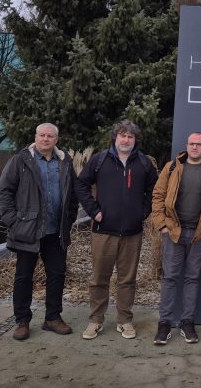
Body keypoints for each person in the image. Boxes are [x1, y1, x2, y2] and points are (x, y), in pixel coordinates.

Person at [0, 123, 79, 341]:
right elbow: (3, 191)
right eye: (42, 135)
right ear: (36, 137)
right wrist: (13, 222)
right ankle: (22, 321)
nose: (45, 139)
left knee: (57, 275)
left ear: (56, 140)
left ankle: (53, 318)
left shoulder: (64, 162)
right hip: (27, 230)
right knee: (23, 276)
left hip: (55, 231)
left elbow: (73, 194)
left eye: (50, 136)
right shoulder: (21, 160)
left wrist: (69, 218)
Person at [76, 120, 158, 341]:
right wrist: (94, 211)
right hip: (103, 231)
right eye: (123, 135)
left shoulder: (143, 163)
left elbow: (154, 189)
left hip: (132, 233)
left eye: (130, 136)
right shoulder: (99, 160)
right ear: (115, 137)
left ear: (135, 140)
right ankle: (95, 320)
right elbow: (81, 184)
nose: (126, 140)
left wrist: (143, 212)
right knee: (99, 279)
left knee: (127, 280)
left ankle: (125, 320)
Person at [150, 132, 201, 345]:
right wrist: (162, 224)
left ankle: (187, 322)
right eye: (192, 143)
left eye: (199, 144)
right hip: (174, 232)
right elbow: (158, 195)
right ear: (187, 145)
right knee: (170, 278)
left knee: (192, 278)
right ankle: (164, 324)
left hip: (199, 234)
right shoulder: (172, 167)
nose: (195, 147)